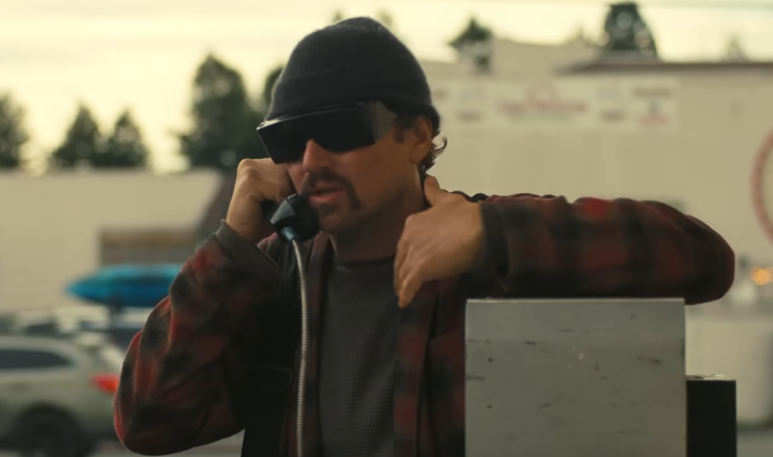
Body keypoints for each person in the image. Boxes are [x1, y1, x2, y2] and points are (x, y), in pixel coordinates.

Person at [113, 17, 735, 457]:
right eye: (287, 140)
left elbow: (703, 259)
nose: (311, 159)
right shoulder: (278, 278)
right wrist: (230, 250)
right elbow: (147, 423)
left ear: (416, 136)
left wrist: (495, 237)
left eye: (341, 129)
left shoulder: (487, 244)